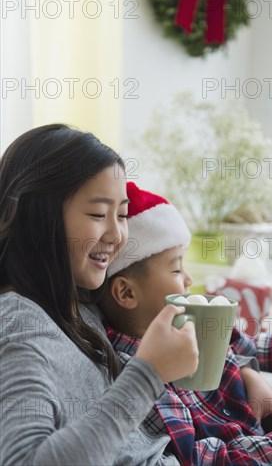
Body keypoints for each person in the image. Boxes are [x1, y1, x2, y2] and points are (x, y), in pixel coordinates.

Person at [97, 182, 272, 466]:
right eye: (176, 268)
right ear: (127, 293)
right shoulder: (135, 376)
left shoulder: (187, 326)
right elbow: (190, 459)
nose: (188, 280)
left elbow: (250, 346)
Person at [0, 124, 199, 466]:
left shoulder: (75, 300)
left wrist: (247, 373)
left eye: (121, 215)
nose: (117, 234)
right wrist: (147, 374)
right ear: (39, 216)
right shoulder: (21, 328)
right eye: (97, 214)